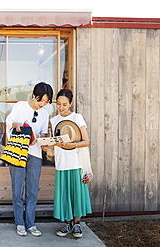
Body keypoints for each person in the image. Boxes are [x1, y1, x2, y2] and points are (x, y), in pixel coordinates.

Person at [5, 82, 53, 237]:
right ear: (34, 96)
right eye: (41, 101)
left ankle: (31, 224)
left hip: (35, 155)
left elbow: (44, 134)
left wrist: (41, 141)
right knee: (17, 190)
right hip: (18, 153)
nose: (43, 105)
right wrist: (16, 124)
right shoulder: (20, 106)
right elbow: (8, 122)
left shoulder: (45, 114)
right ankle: (20, 223)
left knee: (32, 190)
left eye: (46, 102)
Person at [44, 89, 92, 238]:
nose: (61, 107)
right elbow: (56, 142)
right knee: (64, 194)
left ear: (70, 104)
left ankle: (77, 224)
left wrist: (74, 145)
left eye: (64, 104)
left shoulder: (77, 118)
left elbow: (86, 141)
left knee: (77, 194)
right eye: (58, 104)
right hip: (61, 162)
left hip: (76, 162)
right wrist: (48, 145)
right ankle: (68, 223)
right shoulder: (54, 120)